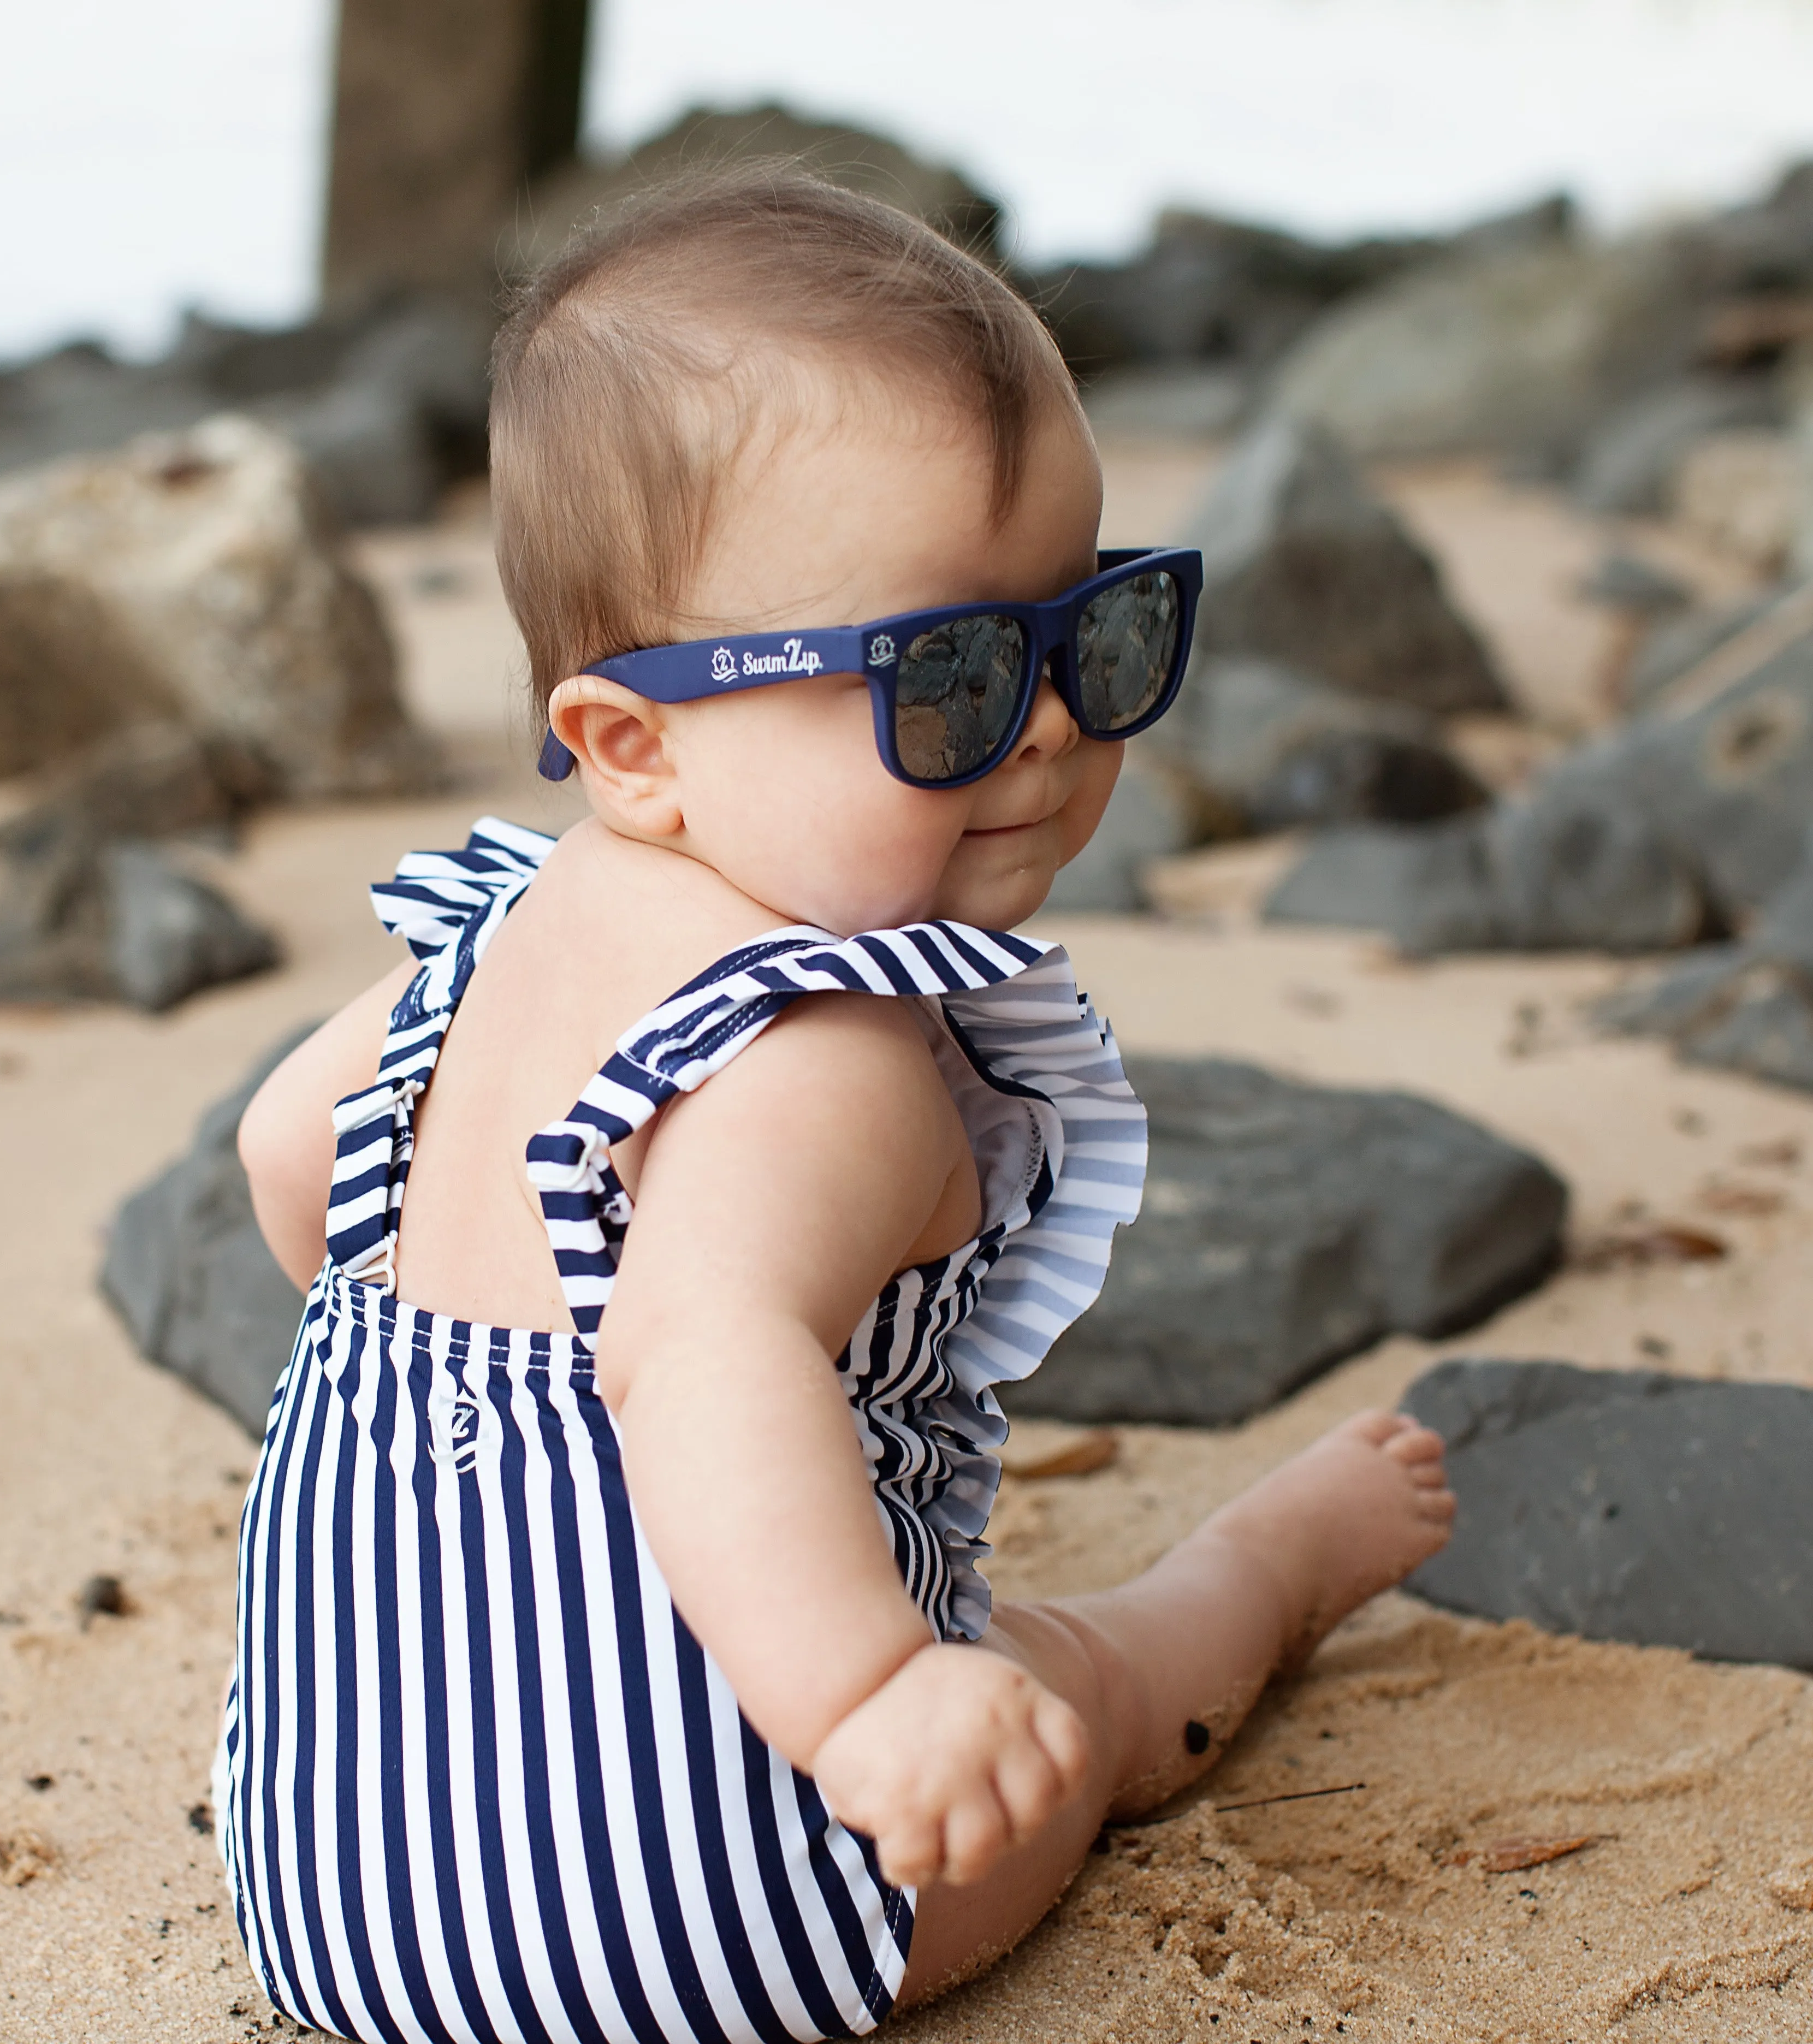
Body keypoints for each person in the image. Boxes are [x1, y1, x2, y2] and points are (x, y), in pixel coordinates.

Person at [215, 164, 1454, 2044]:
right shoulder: (827, 1060)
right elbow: (694, 1360)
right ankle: (1267, 1572)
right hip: (705, 1907)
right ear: (636, 744)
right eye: (945, 677)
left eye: (1094, 629)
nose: (1048, 728)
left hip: (329, 1874)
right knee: (1088, 1687)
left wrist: (453, 1455)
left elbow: (286, 1151)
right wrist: (875, 1694)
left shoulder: (490, 938)